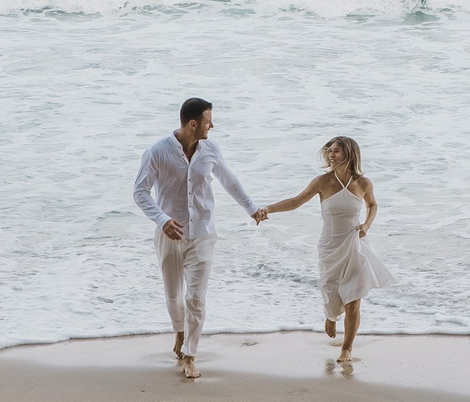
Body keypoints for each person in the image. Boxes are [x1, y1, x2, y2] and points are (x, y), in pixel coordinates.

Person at [132, 97, 264, 376]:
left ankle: (190, 354)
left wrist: (251, 209)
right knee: (173, 296)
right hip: (170, 236)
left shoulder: (210, 150)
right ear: (193, 124)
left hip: (203, 234)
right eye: (208, 121)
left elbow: (229, 181)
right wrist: (162, 218)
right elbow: (140, 192)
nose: (212, 126)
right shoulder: (157, 152)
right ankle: (179, 331)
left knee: (196, 298)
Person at [258, 135, 395, 360]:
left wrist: (367, 226)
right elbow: (295, 201)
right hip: (330, 247)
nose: (331, 155)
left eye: (336, 151)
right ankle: (331, 316)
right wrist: (267, 209)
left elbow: (372, 205)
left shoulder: (363, 183)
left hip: (354, 244)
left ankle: (346, 349)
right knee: (332, 297)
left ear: (349, 154)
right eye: (329, 151)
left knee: (353, 301)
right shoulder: (322, 181)